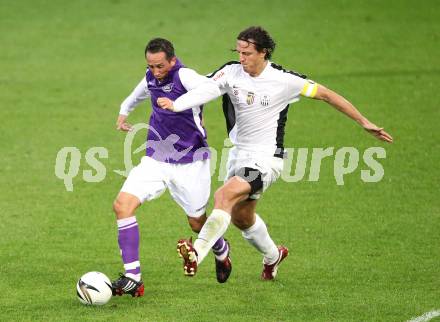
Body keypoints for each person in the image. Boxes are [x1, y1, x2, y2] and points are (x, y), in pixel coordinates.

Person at [157, 26, 393, 280]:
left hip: (266, 159)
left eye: (247, 53)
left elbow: (325, 94)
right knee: (242, 218)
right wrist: (174, 99)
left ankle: (198, 252)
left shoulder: (284, 80)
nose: (241, 58)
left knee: (224, 195)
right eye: (238, 52)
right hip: (238, 155)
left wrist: (363, 121)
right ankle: (273, 256)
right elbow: (203, 89)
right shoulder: (231, 71)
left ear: (263, 52)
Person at [112, 38, 232, 298]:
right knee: (122, 205)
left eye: (160, 66)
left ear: (172, 61)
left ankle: (221, 250)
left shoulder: (184, 76)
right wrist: (124, 111)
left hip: (191, 162)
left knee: (197, 222)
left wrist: (177, 104)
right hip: (156, 157)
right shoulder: (151, 76)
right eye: (151, 66)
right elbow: (138, 93)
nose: (155, 72)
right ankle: (134, 278)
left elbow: (212, 89)